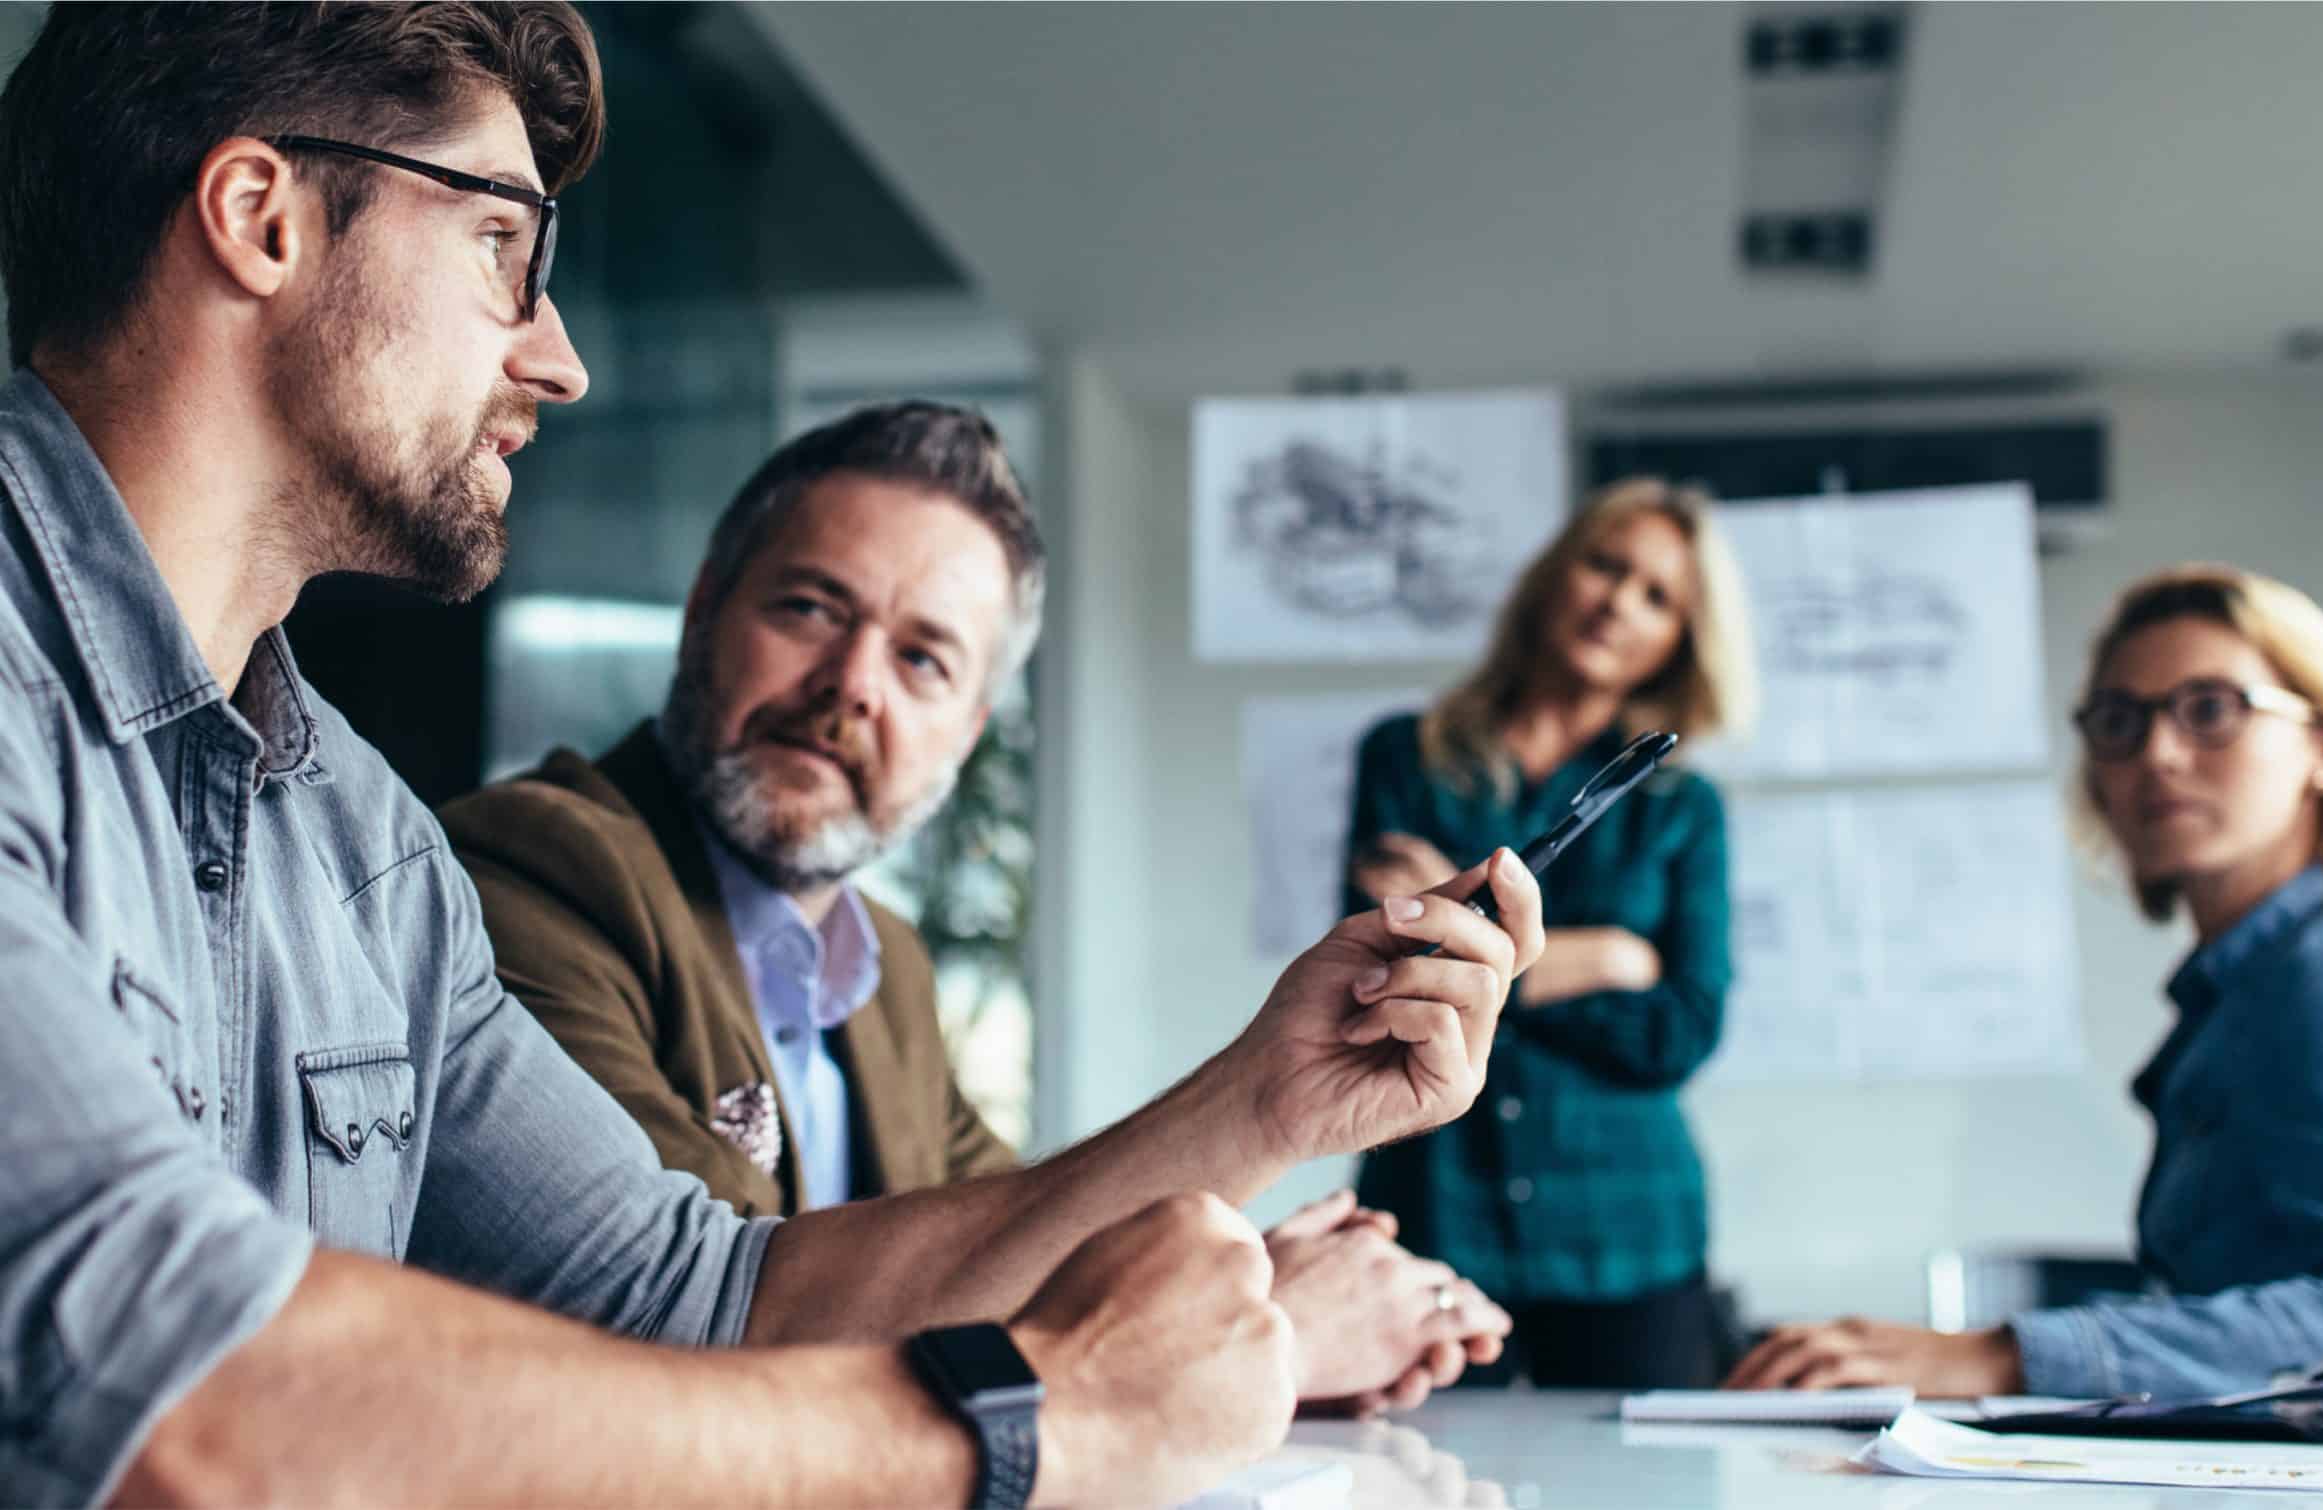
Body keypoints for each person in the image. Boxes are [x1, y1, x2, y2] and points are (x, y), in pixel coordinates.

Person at [0, 7, 1543, 1505]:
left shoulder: (360, 847)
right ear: (260, 214)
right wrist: (1022, 1429)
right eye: (502, 249)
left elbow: (702, 1293)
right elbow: (170, 1393)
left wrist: (1271, 1098)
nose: (559, 359)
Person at [439, 401, 1513, 1417]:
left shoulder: (883, 965)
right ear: (704, 607)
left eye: (922, 658)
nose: (854, 684)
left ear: (968, 727)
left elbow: (1015, 1246)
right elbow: (718, 1327)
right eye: (810, 608)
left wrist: (1244, 1256)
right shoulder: (532, 871)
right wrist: (1262, 1327)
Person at [1727, 564, 2323, 1400]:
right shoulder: (2247, 990)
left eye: (2211, 710)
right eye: (2120, 723)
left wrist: (2000, 1355)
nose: (2157, 754)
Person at [1342, 475, 1759, 1389]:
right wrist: (1608, 958)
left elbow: (1681, 1028)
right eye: (1605, 566)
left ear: (1679, 643)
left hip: (1627, 1235)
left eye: (1657, 597)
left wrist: (1478, 959)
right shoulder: (1403, 759)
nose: (1619, 602)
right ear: (1555, 577)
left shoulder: (1683, 810)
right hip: (1437, 1215)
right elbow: (1381, 982)